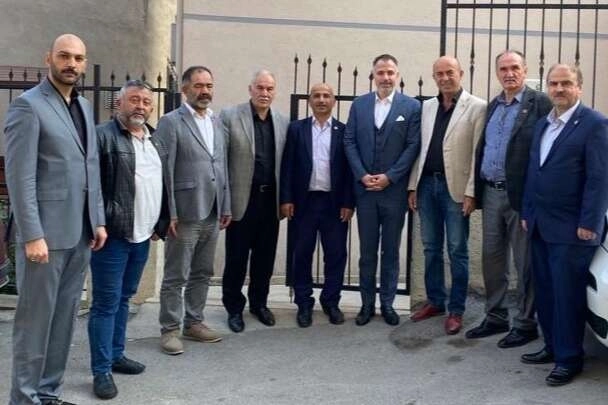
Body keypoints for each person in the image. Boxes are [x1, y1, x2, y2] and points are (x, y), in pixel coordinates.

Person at [4, 33, 107, 405]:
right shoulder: (28, 106)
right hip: (44, 238)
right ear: (48, 58)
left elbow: (90, 166)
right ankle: (24, 398)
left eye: (78, 58)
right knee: (35, 325)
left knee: (64, 321)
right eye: (64, 56)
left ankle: (48, 393)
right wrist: (32, 234)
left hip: (80, 234)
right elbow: (20, 177)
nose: (72, 64)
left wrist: (97, 219)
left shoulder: (83, 107)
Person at [521, 64, 608, 386]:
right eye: (554, 84)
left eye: (566, 83)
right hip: (540, 225)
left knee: (566, 295)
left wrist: (589, 222)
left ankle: (569, 359)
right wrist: (528, 212)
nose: (558, 89)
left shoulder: (595, 124)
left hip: (573, 229)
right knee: (545, 291)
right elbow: (534, 172)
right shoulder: (544, 124)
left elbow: (599, 179)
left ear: (579, 87)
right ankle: (552, 346)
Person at [89, 80, 169, 399]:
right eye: (134, 100)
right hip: (113, 235)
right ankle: (101, 371)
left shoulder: (154, 138)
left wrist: (160, 222)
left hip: (142, 235)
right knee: (105, 304)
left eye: (146, 102)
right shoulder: (102, 136)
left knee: (124, 298)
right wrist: (98, 223)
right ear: (119, 103)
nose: (140, 106)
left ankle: (116, 354)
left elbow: (161, 183)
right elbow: (91, 186)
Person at [466, 50, 552, 348]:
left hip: (522, 196)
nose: (509, 73)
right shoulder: (493, 105)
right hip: (491, 192)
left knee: (524, 262)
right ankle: (496, 316)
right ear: (497, 73)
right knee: (492, 259)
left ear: (525, 70)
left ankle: (526, 324)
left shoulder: (539, 103)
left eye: (515, 67)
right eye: (503, 68)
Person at [407, 56, 486, 335]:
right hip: (427, 185)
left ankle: (456, 310)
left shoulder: (477, 107)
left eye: (449, 72)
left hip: (456, 189)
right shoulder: (427, 107)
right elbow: (420, 148)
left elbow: (478, 154)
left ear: (460, 73)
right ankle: (435, 301)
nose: (444, 78)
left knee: (457, 249)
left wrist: (472, 192)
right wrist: (413, 186)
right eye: (439, 74)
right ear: (434, 77)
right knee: (430, 247)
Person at [156, 66, 231, 355]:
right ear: (185, 89)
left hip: (212, 210)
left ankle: (194, 322)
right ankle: (169, 329)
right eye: (199, 85)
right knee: (176, 274)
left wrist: (225, 204)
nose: (205, 91)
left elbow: (221, 165)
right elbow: (164, 169)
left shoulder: (216, 121)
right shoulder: (171, 122)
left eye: (209, 85)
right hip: (185, 212)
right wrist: (169, 212)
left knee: (202, 271)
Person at [344, 54, 421, 326]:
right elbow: (349, 141)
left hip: (394, 193)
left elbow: (413, 146)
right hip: (365, 193)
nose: (386, 77)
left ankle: (387, 303)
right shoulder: (359, 105)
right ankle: (366, 305)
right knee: (367, 252)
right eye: (381, 73)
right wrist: (362, 175)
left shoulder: (411, 107)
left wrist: (390, 177)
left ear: (397, 75)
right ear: (373, 75)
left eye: (390, 72)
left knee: (391, 251)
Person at [279, 83, 354, 327]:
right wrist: (286, 199)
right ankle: (304, 303)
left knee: (336, 254)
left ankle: (331, 301)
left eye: (326, 96)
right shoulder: (296, 129)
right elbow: (288, 166)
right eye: (317, 96)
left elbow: (349, 171)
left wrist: (348, 202)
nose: (322, 100)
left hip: (334, 204)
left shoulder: (344, 131)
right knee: (302, 253)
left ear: (334, 101)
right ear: (310, 100)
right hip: (304, 203)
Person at [221, 70, 289, 333]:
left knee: (264, 258)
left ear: (275, 91)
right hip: (241, 201)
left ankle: (259, 304)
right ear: (250, 89)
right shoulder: (230, 116)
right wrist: (224, 202)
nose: (264, 93)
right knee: (236, 258)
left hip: (270, 201)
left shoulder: (282, 121)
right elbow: (221, 161)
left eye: (269, 88)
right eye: (260, 88)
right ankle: (234, 308)